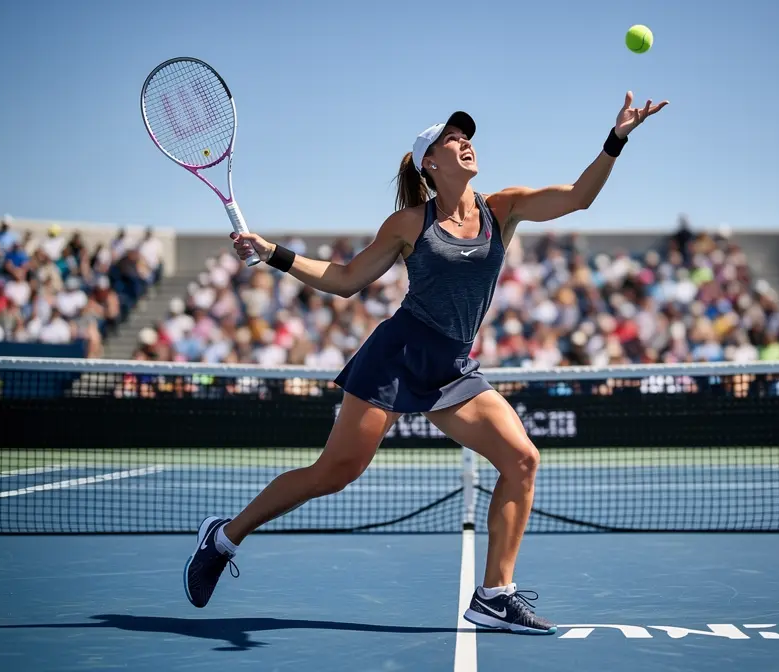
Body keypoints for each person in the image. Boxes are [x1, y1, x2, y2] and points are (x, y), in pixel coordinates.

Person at [183, 92, 668, 634]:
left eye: (467, 137)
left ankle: (494, 595)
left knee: (523, 461)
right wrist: (275, 253)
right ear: (429, 163)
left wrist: (616, 138)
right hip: (396, 356)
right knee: (335, 473)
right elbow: (346, 280)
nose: (465, 143)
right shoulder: (408, 223)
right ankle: (224, 536)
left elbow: (579, 197)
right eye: (451, 139)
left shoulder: (502, 208)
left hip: (452, 367)